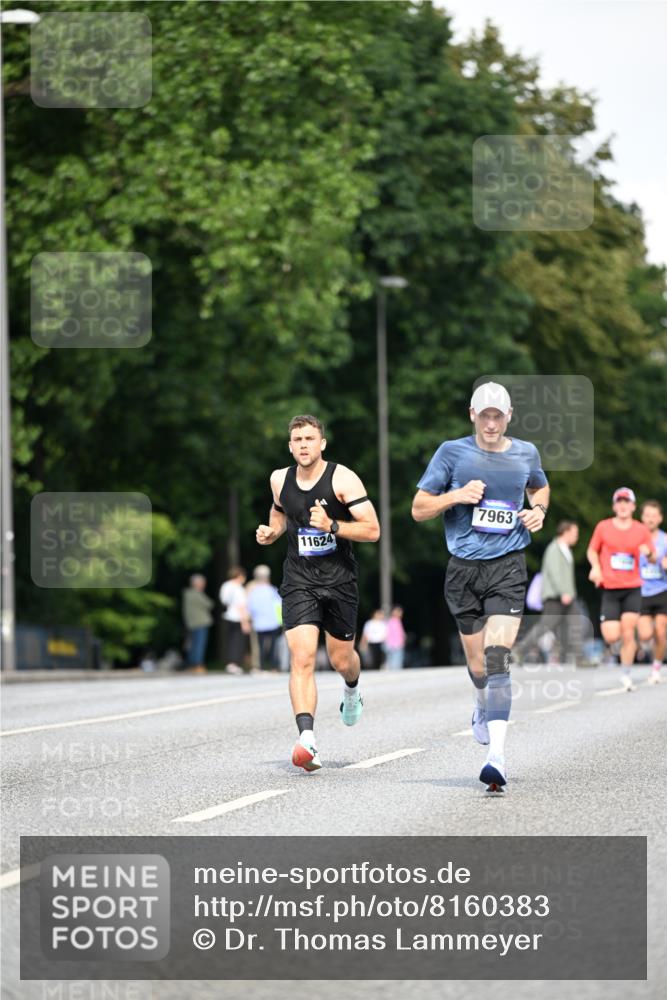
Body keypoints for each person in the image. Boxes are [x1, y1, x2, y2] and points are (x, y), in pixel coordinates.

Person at [412, 381, 549, 791]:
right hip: (463, 569)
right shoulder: (450, 453)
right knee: (477, 668)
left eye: (498, 415)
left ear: (509, 416)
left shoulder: (526, 452)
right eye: (484, 414)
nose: (491, 422)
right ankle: (479, 704)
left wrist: (538, 510)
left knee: (496, 659)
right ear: (472, 414)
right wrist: (456, 496)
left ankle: (497, 757)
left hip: (508, 566)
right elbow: (419, 509)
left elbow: (539, 485)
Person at [256, 414, 380, 771]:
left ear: (322, 443)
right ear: (290, 445)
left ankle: (353, 688)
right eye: (297, 440)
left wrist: (333, 525)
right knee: (303, 658)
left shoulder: (343, 479)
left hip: (340, 580)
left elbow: (373, 530)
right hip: (299, 580)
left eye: (310, 439)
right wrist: (273, 532)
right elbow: (279, 512)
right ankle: (307, 740)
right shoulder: (279, 479)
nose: (304, 445)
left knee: (341, 659)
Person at [586, 488, 656, 691]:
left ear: (633, 506)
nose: (623, 505)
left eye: (627, 502)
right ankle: (618, 649)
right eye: (620, 501)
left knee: (627, 632)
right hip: (610, 587)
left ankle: (626, 674)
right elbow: (592, 550)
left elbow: (653, 557)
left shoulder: (641, 529)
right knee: (611, 636)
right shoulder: (603, 527)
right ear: (614, 505)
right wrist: (596, 567)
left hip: (632, 587)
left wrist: (649, 552)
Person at [516, 521, 579, 664]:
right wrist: (563, 592)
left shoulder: (565, 549)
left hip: (566, 595)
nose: (577, 537)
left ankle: (578, 658)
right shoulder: (554, 549)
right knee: (546, 626)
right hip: (556, 596)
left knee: (573, 624)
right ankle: (520, 650)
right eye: (575, 533)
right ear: (566, 532)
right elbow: (554, 573)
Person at [638, 499, 667, 684]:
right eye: (647, 515)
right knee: (645, 635)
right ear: (642, 517)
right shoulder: (635, 538)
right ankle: (649, 650)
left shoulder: (665, 539)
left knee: (660, 630)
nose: (650, 519)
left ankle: (656, 666)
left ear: (660, 518)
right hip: (641, 590)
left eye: (653, 516)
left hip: (662, 590)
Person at [246, 565, 283, 670]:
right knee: (273, 645)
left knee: (260, 646)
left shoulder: (252, 590)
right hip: (273, 622)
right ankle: (273, 666)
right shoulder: (272, 590)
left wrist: (249, 619)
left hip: (258, 623)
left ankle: (260, 666)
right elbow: (279, 606)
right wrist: (281, 621)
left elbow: (250, 607)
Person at [219, 566, 250, 675]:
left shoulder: (225, 586)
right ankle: (235, 664)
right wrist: (245, 622)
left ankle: (229, 663)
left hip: (228, 616)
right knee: (238, 642)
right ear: (239, 576)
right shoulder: (238, 588)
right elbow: (241, 606)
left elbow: (224, 601)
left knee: (230, 641)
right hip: (238, 618)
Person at [181, 574, 214, 673]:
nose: (204, 584)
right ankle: (198, 664)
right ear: (196, 583)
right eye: (202, 582)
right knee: (199, 645)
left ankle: (192, 664)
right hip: (200, 622)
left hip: (191, 623)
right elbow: (209, 604)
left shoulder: (187, 594)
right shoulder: (197, 594)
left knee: (193, 645)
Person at [385, 606, 407, 670]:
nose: (401, 614)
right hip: (395, 644)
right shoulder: (393, 621)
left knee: (392, 660)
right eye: (399, 612)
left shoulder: (394, 621)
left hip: (392, 644)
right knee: (396, 661)